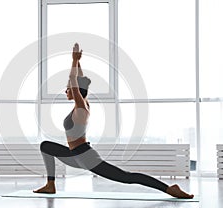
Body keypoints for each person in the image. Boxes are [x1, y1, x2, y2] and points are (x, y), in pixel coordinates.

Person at [33, 43, 194, 199]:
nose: (66, 90)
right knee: (46, 146)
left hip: (86, 158)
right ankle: (50, 185)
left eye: (68, 88)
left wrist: (74, 60)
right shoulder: (82, 104)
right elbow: (79, 81)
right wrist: (79, 62)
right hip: (74, 155)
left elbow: (74, 81)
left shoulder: (81, 107)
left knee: (127, 177)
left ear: (75, 91)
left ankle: (169, 189)